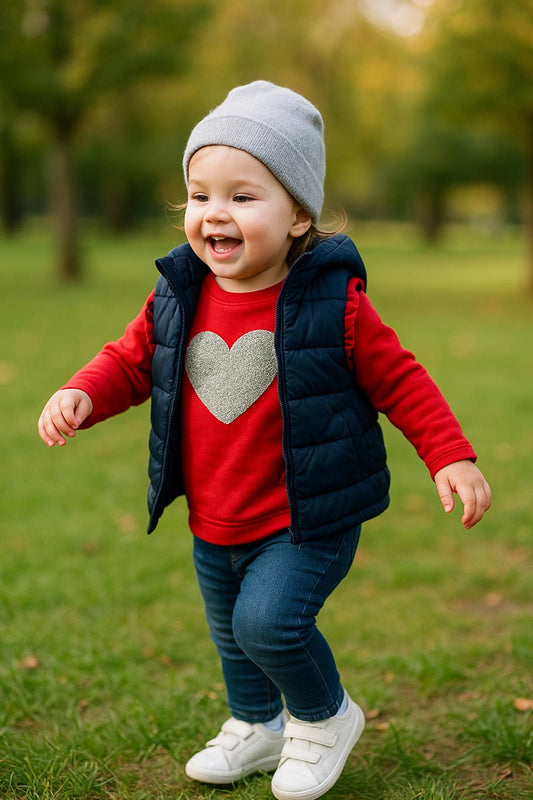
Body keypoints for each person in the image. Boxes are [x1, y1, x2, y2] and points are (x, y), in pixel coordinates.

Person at [38, 81, 491, 800]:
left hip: (306, 516)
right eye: (200, 195)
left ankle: (323, 717)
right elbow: (131, 358)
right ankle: (257, 725)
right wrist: (83, 393)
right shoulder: (178, 292)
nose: (215, 212)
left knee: (268, 624)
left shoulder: (333, 303)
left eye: (243, 196)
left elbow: (402, 379)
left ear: (298, 215)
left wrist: (449, 454)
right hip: (216, 513)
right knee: (231, 633)